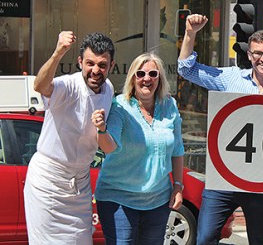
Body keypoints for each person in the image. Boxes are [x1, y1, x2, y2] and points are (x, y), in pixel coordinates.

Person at [178, 14, 263, 245]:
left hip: (260, 184)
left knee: (260, 242)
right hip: (223, 179)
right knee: (204, 239)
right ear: (249, 55)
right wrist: (190, 33)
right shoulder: (231, 79)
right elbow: (186, 69)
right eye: (258, 53)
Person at [24, 31, 115, 244]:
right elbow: (40, 86)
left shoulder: (109, 89)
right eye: (90, 63)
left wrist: (102, 129)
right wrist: (58, 53)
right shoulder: (68, 85)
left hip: (80, 184)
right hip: (48, 183)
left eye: (102, 65)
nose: (95, 70)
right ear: (80, 62)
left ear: (111, 66)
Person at [91, 52, 184, 244]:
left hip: (158, 200)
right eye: (140, 74)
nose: (146, 79)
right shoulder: (120, 106)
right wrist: (101, 129)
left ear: (160, 78)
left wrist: (178, 186)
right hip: (118, 198)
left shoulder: (170, 105)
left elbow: (177, 149)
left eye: (152, 74)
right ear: (133, 78)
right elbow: (109, 147)